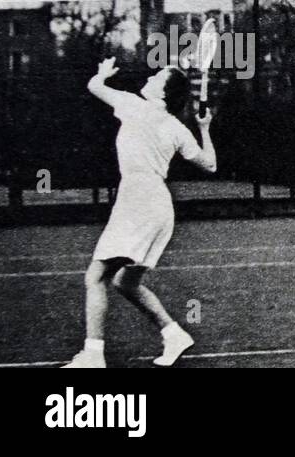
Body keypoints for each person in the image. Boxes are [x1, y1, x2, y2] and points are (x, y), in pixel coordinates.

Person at [64, 58, 217, 368]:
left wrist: (103, 74)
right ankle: (174, 334)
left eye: (158, 76)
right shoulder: (176, 127)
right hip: (159, 207)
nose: (150, 75)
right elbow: (211, 165)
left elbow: (94, 86)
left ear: (163, 92)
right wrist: (205, 129)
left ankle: (93, 356)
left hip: (139, 202)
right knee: (124, 282)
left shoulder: (133, 105)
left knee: (95, 277)